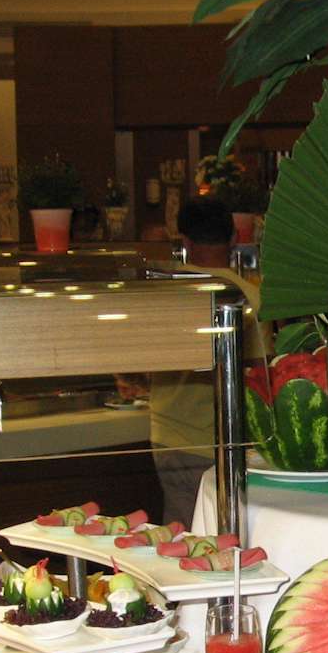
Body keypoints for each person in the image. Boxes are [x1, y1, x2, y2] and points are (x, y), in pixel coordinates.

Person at [119, 197, 264, 526]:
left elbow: (135, 363)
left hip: (169, 439)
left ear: (184, 241)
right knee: (227, 531)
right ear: (233, 238)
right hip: (225, 442)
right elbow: (258, 375)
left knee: (181, 534)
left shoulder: (165, 292)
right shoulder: (247, 296)